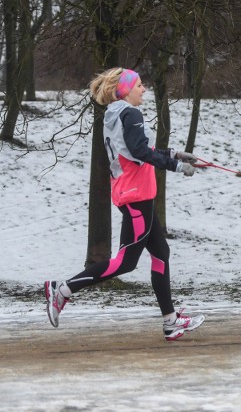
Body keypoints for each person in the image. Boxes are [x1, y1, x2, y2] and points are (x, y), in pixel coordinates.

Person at [44, 67, 205, 341]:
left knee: (161, 254)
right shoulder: (131, 113)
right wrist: (176, 165)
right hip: (135, 197)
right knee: (125, 263)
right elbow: (140, 151)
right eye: (139, 85)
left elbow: (134, 150)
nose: (143, 89)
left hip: (135, 194)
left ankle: (170, 321)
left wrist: (173, 153)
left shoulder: (116, 114)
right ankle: (62, 290)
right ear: (126, 90)